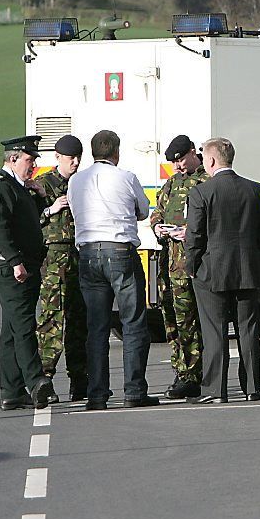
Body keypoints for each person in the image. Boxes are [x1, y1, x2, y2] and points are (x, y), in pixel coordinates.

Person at [67, 129, 158, 410]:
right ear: (116, 152)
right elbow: (142, 211)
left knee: (96, 327)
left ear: (93, 153)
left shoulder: (75, 181)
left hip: (88, 254)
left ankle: (97, 394)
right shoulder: (127, 177)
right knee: (133, 323)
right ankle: (134, 391)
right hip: (120, 252)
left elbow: (73, 211)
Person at [185, 137, 260, 403]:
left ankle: (216, 390)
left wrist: (192, 265)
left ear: (210, 160)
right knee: (248, 329)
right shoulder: (255, 189)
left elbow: (195, 236)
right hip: (247, 268)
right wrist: (254, 257)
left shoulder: (201, 192)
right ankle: (252, 388)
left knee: (215, 330)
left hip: (212, 270)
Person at [0, 135, 54, 410]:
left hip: (23, 266)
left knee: (11, 330)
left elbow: (27, 221)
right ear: (13, 159)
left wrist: (40, 196)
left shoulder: (18, 187)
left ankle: (12, 391)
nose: (33, 165)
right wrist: (14, 261)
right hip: (10, 269)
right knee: (24, 326)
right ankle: (36, 382)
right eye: (29, 159)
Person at [150, 135, 208, 400]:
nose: (178, 167)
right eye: (174, 163)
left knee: (190, 320)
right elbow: (156, 212)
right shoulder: (172, 184)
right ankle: (181, 369)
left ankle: (192, 375)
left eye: (181, 160)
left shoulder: (206, 181)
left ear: (193, 152)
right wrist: (158, 227)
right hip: (170, 264)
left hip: (194, 264)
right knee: (171, 319)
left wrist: (191, 232)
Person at [31, 134, 87, 403]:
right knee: (52, 321)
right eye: (70, 158)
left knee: (79, 322)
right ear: (58, 158)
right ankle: (45, 381)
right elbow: (29, 221)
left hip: (78, 256)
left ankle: (80, 381)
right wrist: (49, 210)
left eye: (78, 157)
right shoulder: (43, 184)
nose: (75, 162)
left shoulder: (82, 183)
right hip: (53, 259)